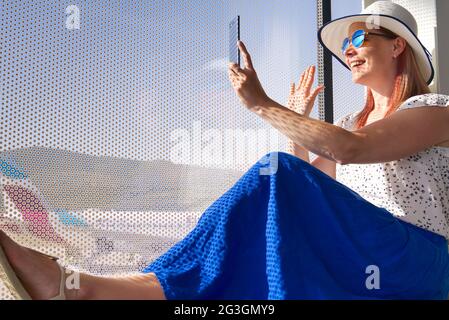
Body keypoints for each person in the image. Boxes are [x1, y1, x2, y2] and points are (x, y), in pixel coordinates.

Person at [1, 1, 449, 300]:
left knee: (275, 176)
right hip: (363, 249)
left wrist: (263, 105)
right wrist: (295, 122)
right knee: (274, 192)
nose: (348, 51)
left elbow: (352, 151)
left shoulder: (434, 109)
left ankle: (104, 291)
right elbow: (312, 182)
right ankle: (99, 289)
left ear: (397, 45)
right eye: (345, 44)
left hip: (420, 258)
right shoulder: (350, 122)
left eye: (358, 40)